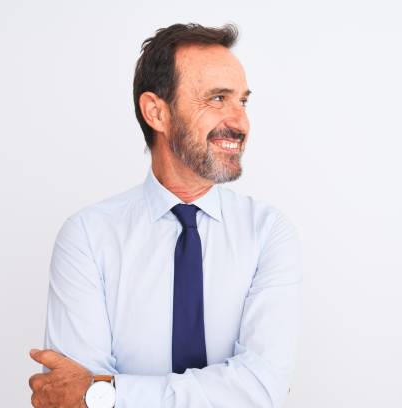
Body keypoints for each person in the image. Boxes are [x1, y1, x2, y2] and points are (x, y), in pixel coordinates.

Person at [28, 23, 302, 408]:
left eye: (243, 101)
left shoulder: (268, 233)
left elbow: (260, 390)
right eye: (218, 99)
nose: (240, 122)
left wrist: (106, 393)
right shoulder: (88, 236)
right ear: (156, 112)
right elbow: (67, 397)